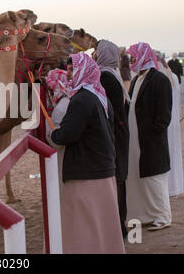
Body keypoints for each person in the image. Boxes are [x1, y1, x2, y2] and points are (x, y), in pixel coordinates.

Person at [49, 52, 125, 254]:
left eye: (74, 68)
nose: (70, 73)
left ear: (86, 70)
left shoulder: (82, 99)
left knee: (83, 225)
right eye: (69, 68)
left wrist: (53, 134)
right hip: (102, 168)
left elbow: (67, 135)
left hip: (86, 172)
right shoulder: (98, 96)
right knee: (100, 224)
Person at [126, 42, 172, 231]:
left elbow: (164, 113)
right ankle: (145, 214)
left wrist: (155, 133)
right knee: (140, 176)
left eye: (134, 58)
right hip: (136, 138)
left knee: (155, 177)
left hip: (150, 139)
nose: (131, 61)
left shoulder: (159, 79)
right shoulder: (138, 79)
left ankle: (162, 216)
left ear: (144, 56)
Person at [93, 40, 130, 240]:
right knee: (120, 178)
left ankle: (118, 226)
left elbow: (111, 110)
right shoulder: (112, 74)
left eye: (98, 53)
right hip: (120, 132)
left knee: (117, 179)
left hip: (115, 134)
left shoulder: (106, 76)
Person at [155, 52, 184, 197]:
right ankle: (174, 186)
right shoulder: (171, 75)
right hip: (172, 122)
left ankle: (168, 187)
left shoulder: (160, 76)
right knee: (173, 153)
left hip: (164, 121)